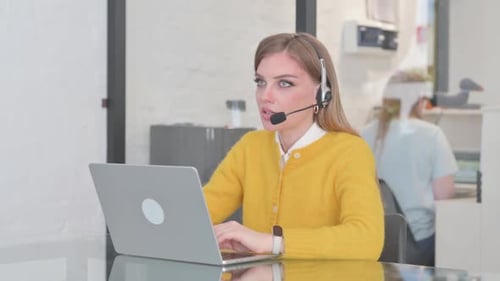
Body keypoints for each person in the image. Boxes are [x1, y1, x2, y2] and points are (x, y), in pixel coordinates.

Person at [202, 32, 384, 260]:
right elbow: (200, 215)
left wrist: (274, 243)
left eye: (284, 83)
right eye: (260, 82)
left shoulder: (349, 152)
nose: (265, 97)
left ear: (321, 94)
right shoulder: (251, 147)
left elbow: (367, 240)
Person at [361, 73, 458, 266]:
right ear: (420, 100)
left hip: (374, 238)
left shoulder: (364, 134)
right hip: (420, 239)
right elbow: (444, 196)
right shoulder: (432, 134)